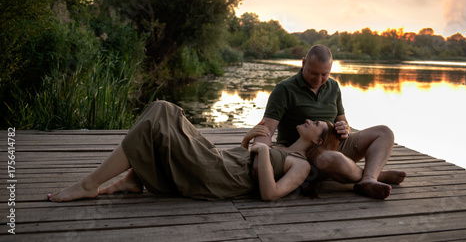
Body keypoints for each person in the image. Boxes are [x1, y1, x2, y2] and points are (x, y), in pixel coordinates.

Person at [47, 100, 336, 202]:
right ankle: (135, 179)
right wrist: (249, 141)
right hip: (219, 159)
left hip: (217, 176)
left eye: (317, 123)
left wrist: (261, 152)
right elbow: (243, 159)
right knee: (168, 111)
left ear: (319, 141)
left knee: (160, 112)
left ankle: (89, 185)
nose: (310, 119)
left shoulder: (302, 166)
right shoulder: (282, 146)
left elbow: (270, 194)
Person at [252, 45, 406, 199]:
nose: (318, 80)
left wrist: (345, 129)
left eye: (324, 74)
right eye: (314, 73)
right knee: (331, 158)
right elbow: (266, 129)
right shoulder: (284, 89)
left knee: (384, 132)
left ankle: (369, 179)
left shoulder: (333, 86)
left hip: (335, 143)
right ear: (304, 63)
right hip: (305, 153)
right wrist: (260, 156)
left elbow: (343, 122)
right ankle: (376, 175)